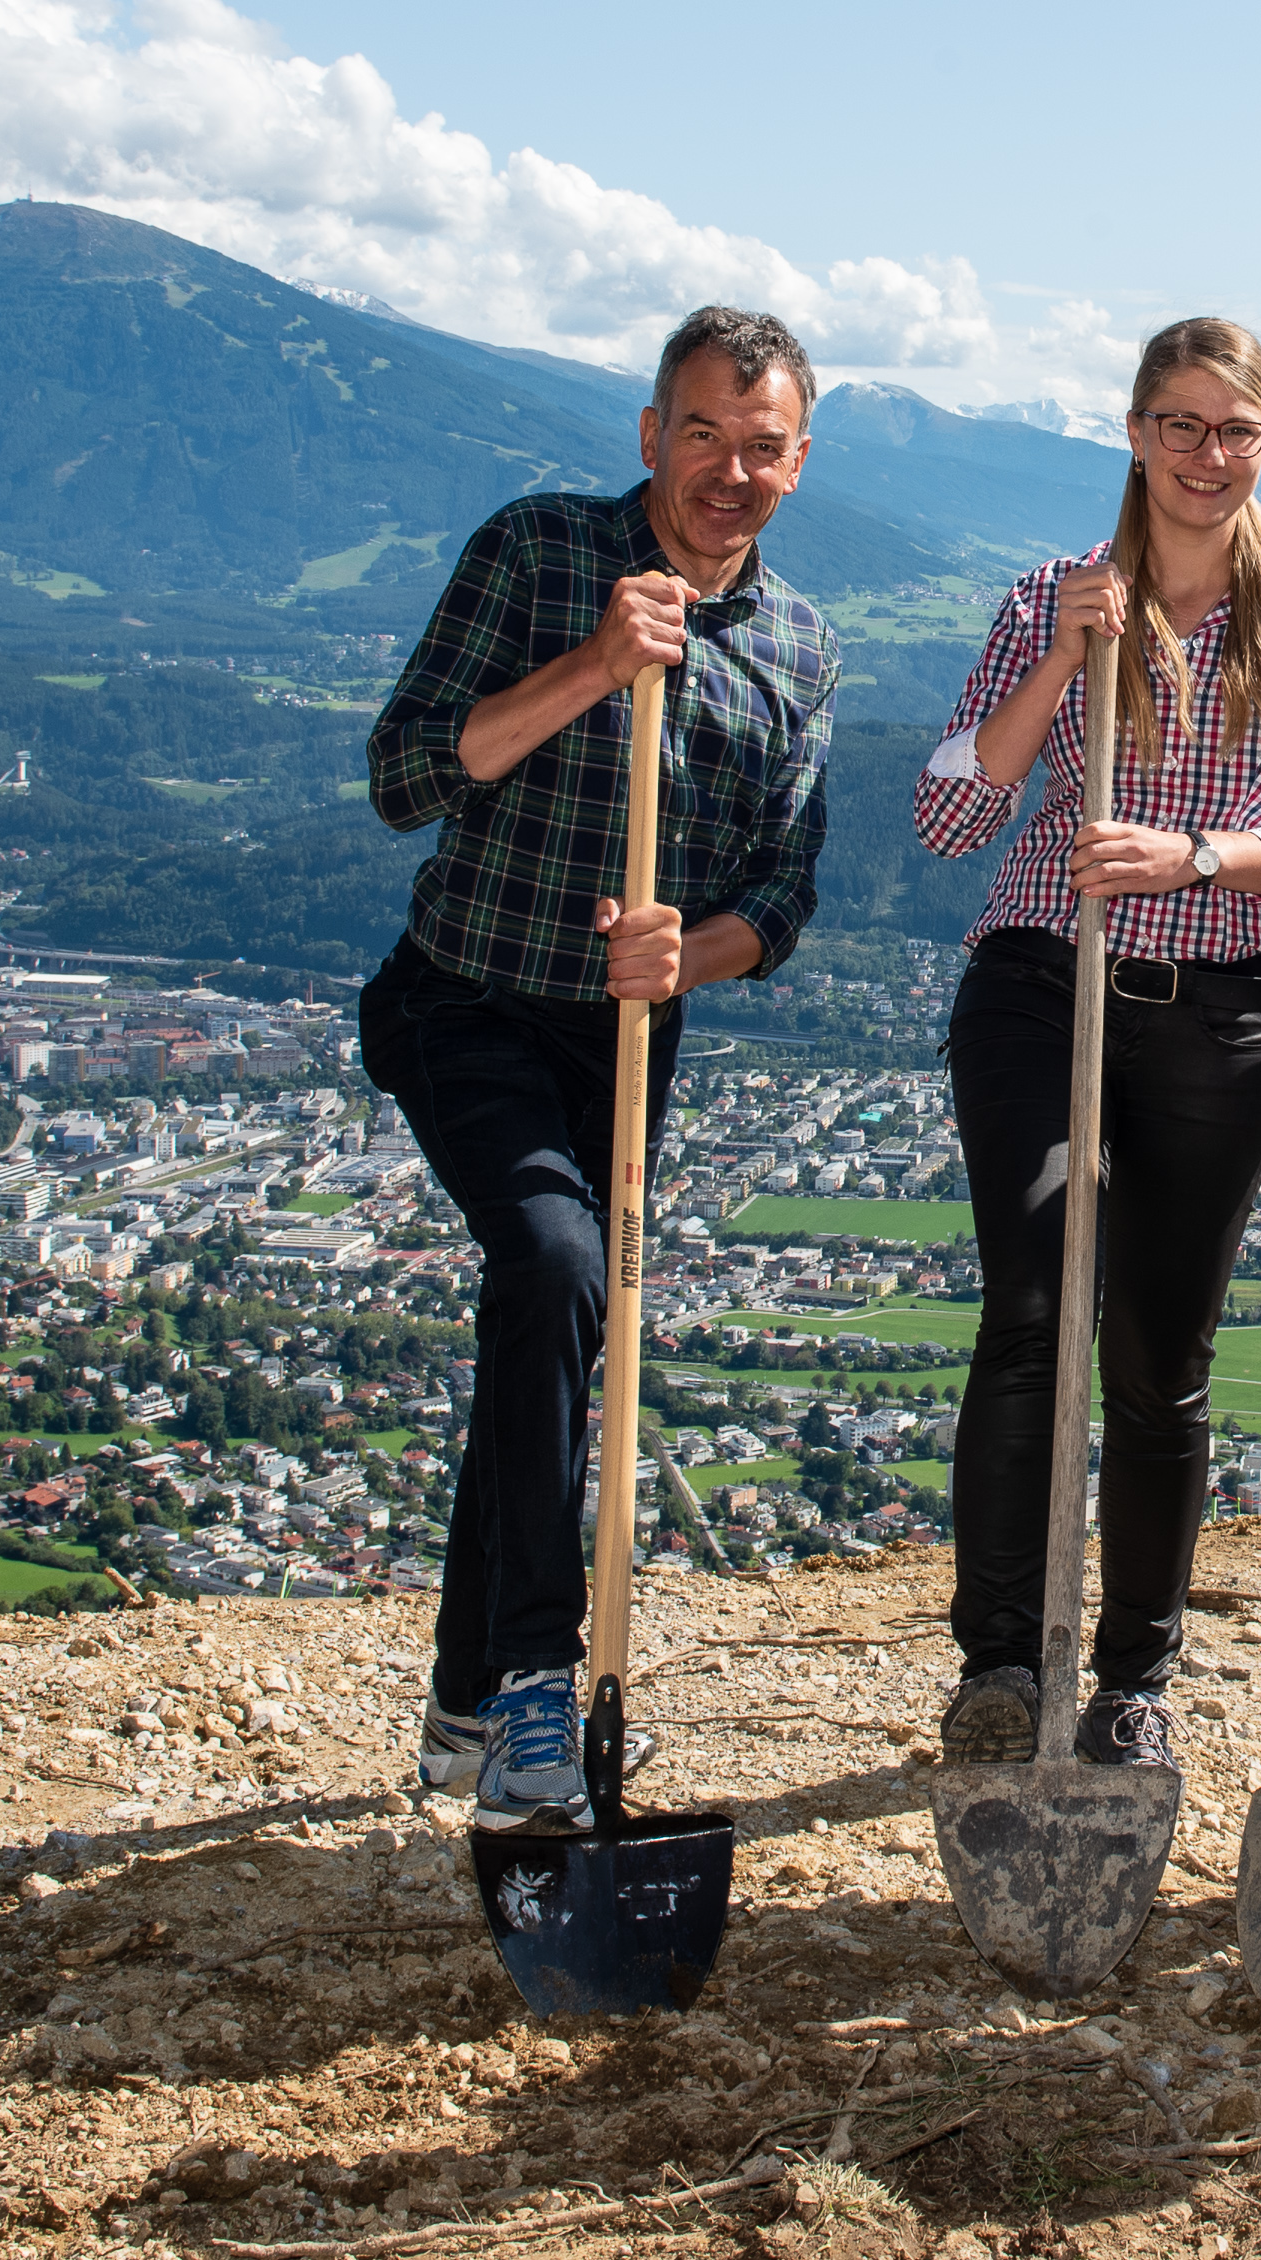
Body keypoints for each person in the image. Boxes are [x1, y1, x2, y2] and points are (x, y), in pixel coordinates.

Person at [357, 307, 839, 1832]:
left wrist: (690, 955)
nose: (729, 472)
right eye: (702, 434)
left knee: (552, 1338)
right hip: (467, 1000)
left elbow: (784, 891)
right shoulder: (541, 552)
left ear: (800, 463)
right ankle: (532, 1690)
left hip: (625, 1037)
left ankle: (458, 1695)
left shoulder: (800, 651)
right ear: (649, 433)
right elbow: (404, 775)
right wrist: (591, 666)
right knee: (561, 1267)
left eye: (763, 447)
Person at [920, 315, 1261, 1770]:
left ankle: (1134, 1677)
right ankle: (998, 1666)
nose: (1207, 455)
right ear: (1132, 431)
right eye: (1181, 424)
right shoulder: (1050, 597)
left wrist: (1199, 856)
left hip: (1218, 1001)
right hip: (1043, 983)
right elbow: (948, 815)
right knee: (1034, 1308)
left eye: (1236, 428)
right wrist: (1065, 662)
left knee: (1160, 1348)